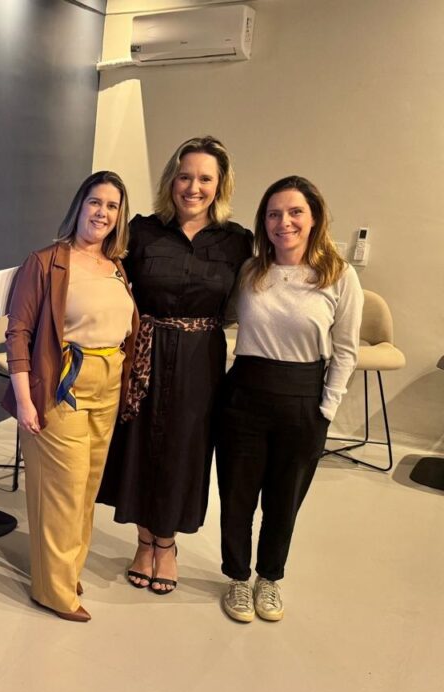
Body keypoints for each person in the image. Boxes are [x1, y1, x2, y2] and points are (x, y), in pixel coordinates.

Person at [97, 136, 252, 595]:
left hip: (200, 355)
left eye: (205, 178)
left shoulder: (237, 241)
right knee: (140, 442)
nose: (193, 187)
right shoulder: (142, 231)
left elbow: (241, 302)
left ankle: (167, 544)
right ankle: (143, 539)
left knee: (186, 447)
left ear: (220, 185)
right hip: (144, 353)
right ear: (172, 179)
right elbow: (108, 278)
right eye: (185, 176)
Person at [217, 176, 362, 623]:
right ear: (264, 221)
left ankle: (269, 578)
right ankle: (238, 579)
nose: (285, 222)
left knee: (285, 499)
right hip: (244, 394)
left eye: (295, 212)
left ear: (314, 217)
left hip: (303, 399)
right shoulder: (250, 272)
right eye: (274, 213)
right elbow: (220, 320)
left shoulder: (339, 275)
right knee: (237, 496)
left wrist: (327, 409)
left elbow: (345, 350)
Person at [2, 170, 139, 622]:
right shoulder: (45, 262)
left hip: (109, 384)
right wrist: (24, 401)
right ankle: (54, 590)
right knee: (61, 491)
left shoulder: (117, 267)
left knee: (85, 490)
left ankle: (67, 570)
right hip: (61, 386)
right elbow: (18, 333)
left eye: (113, 206)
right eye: (95, 202)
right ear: (79, 206)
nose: (103, 213)